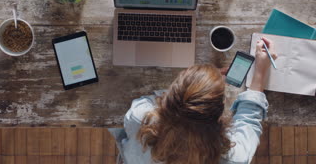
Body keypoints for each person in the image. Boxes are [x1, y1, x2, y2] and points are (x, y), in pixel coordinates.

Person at [109, 37, 277, 164]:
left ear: (170, 99)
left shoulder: (141, 119)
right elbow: (248, 121)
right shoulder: (234, 157)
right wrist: (260, 73)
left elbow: (143, 102)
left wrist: (190, 88)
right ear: (219, 114)